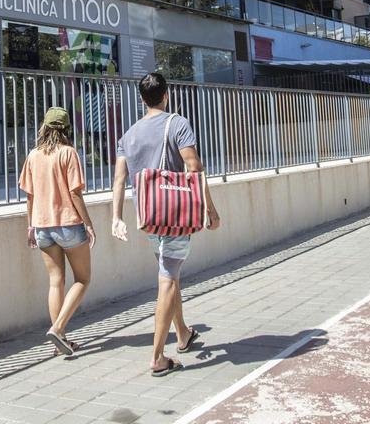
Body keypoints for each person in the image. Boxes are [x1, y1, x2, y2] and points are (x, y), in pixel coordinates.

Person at [112, 72, 221, 377]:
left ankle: (183, 334)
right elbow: (194, 166)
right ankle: (158, 357)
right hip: (174, 215)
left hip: (147, 217)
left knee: (169, 274)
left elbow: (120, 178)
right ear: (166, 94)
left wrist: (116, 217)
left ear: (141, 98)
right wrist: (210, 209)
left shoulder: (128, 134)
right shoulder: (178, 123)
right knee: (168, 280)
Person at [19, 106, 95, 357]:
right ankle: (58, 328)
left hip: (42, 227)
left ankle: (59, 340)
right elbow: (74, 192)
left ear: (45, 127)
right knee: (82, 279)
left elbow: (29, 195)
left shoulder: (33, 155)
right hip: (68, 224)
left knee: (55, 281)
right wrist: (89, 223)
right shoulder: (68, 153)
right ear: (65, 129)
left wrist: (30, 225)